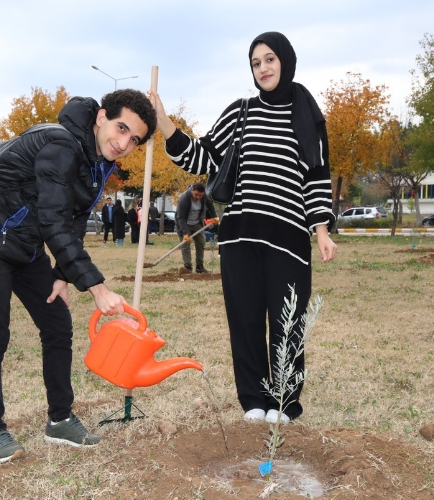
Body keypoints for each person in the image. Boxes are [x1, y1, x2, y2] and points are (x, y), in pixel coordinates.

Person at [0, 89, 157, 463]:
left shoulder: (98, 161)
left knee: (57, 325)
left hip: (25, 245)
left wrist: (62, 275)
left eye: (134, 140)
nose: (123, 142)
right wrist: (97, 288)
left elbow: (74, 219)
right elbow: (53, 220)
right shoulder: (62, 145)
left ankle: (60, 419)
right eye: (120, 128)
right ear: (101, 117)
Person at [150, 32, 337, 426]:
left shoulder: (306, 116)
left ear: (285, 60)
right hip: (239, 237)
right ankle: (253, 397)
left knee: (288, 322)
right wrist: (165, 123)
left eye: (270, 59)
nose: (264, 68)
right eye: (256, 63)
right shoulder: (241, 112)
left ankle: (285, 401)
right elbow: (203, 155)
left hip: (288, 239)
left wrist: (321, 229)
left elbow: (317, 179)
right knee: (246, 319)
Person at [175, 183, 218, 273]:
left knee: (201, 242)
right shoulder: (184, 198)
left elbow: (210, 204)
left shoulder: (204, 196)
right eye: (196, 194)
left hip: (197, 223)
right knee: (185, 245)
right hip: (184, 223)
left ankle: (200, 266)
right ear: (192, 190)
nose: (198, 197)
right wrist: (185, 233)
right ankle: (187, 267)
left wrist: (215, 216)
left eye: (200, 195)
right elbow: (181, 217)